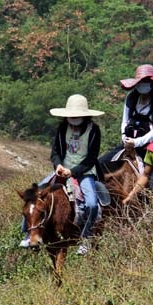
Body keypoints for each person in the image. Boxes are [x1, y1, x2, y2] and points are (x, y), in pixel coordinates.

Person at [20, 94, 104, 255]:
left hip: (85, 172)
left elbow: (91, 158)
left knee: (92, 204)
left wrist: (73, 172)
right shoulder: (63, 128)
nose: (73, 119)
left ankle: (86, 237)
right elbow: (55, 152)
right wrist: (58, 165)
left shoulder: (94, 130)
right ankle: (26, 233)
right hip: (62, 169)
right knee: (31, 196)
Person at [98, 64, 153, 173]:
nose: (143, 85)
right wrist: (125, 138)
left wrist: (137, 142)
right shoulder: (131, 97)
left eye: (146, 82)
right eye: (141, 82)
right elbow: (125, 121)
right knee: (101, 164)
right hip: (128, 141)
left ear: (152, 83)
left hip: (149, 145)